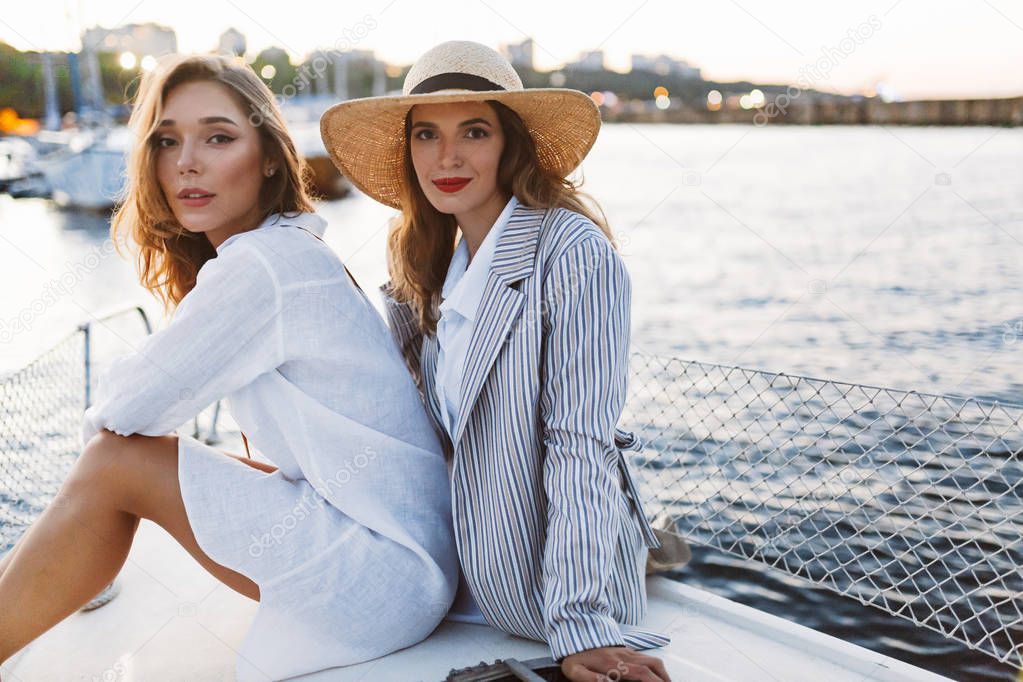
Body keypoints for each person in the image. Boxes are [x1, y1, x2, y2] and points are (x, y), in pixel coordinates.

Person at [0, 54, 456, 681]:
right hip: (407, 566)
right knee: (131, 459)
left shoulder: (263, 265)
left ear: (269, 154)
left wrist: (106, 494)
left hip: (386, 578)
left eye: (218, 137)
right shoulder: (289, 248)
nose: (187, 161)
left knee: (114, 460)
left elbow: (121, 412)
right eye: (167, 141)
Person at [321, 40, 671, 681]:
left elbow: (580, 445)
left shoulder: (571, 254)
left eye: (473, 131)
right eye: (426, 134)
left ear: (510, 143)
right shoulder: (421, 273)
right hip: (448, 576)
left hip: (540, 596)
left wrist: (580, 629)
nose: (446, 157)